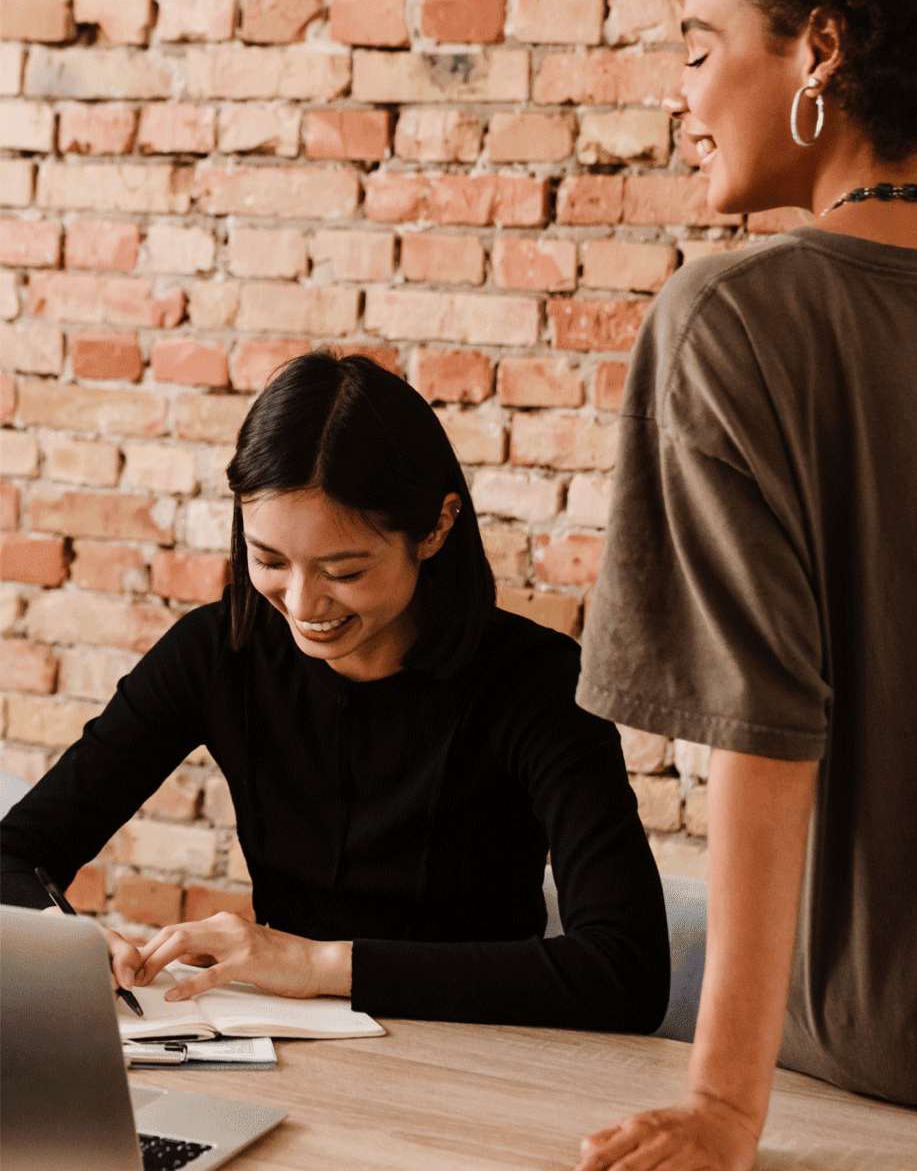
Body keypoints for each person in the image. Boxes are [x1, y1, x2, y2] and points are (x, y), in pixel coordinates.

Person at [572, 0, 917, 1167]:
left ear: (820, 49)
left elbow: (759, 728)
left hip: (895, 1066)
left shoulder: (732, 318)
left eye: (696, 50)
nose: (680, 99)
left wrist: (723, 1108)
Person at [1, 351, 670, 1033]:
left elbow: (627, 973)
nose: (301, 602)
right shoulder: (218, 652)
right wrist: (67, 945)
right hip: (291, 1053)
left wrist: (319, 966)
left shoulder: (537, 682)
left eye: (343, 570)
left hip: (485, 1057)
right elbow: (11, 856)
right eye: (268, 560)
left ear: (436, 528)